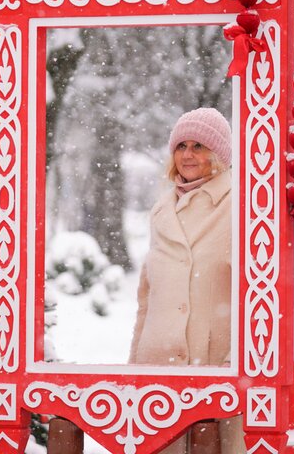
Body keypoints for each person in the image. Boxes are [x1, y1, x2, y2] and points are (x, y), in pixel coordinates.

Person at [129, 107, 244, 454]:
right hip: (158, 369)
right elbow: (146, 298)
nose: (189, 154)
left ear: (219, 153)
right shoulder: (162, 209)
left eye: (199, 146)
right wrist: (133, 367)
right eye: (181, 146)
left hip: (215, 364)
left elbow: (253, 291)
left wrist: (238, 357)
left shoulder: (239, 205)